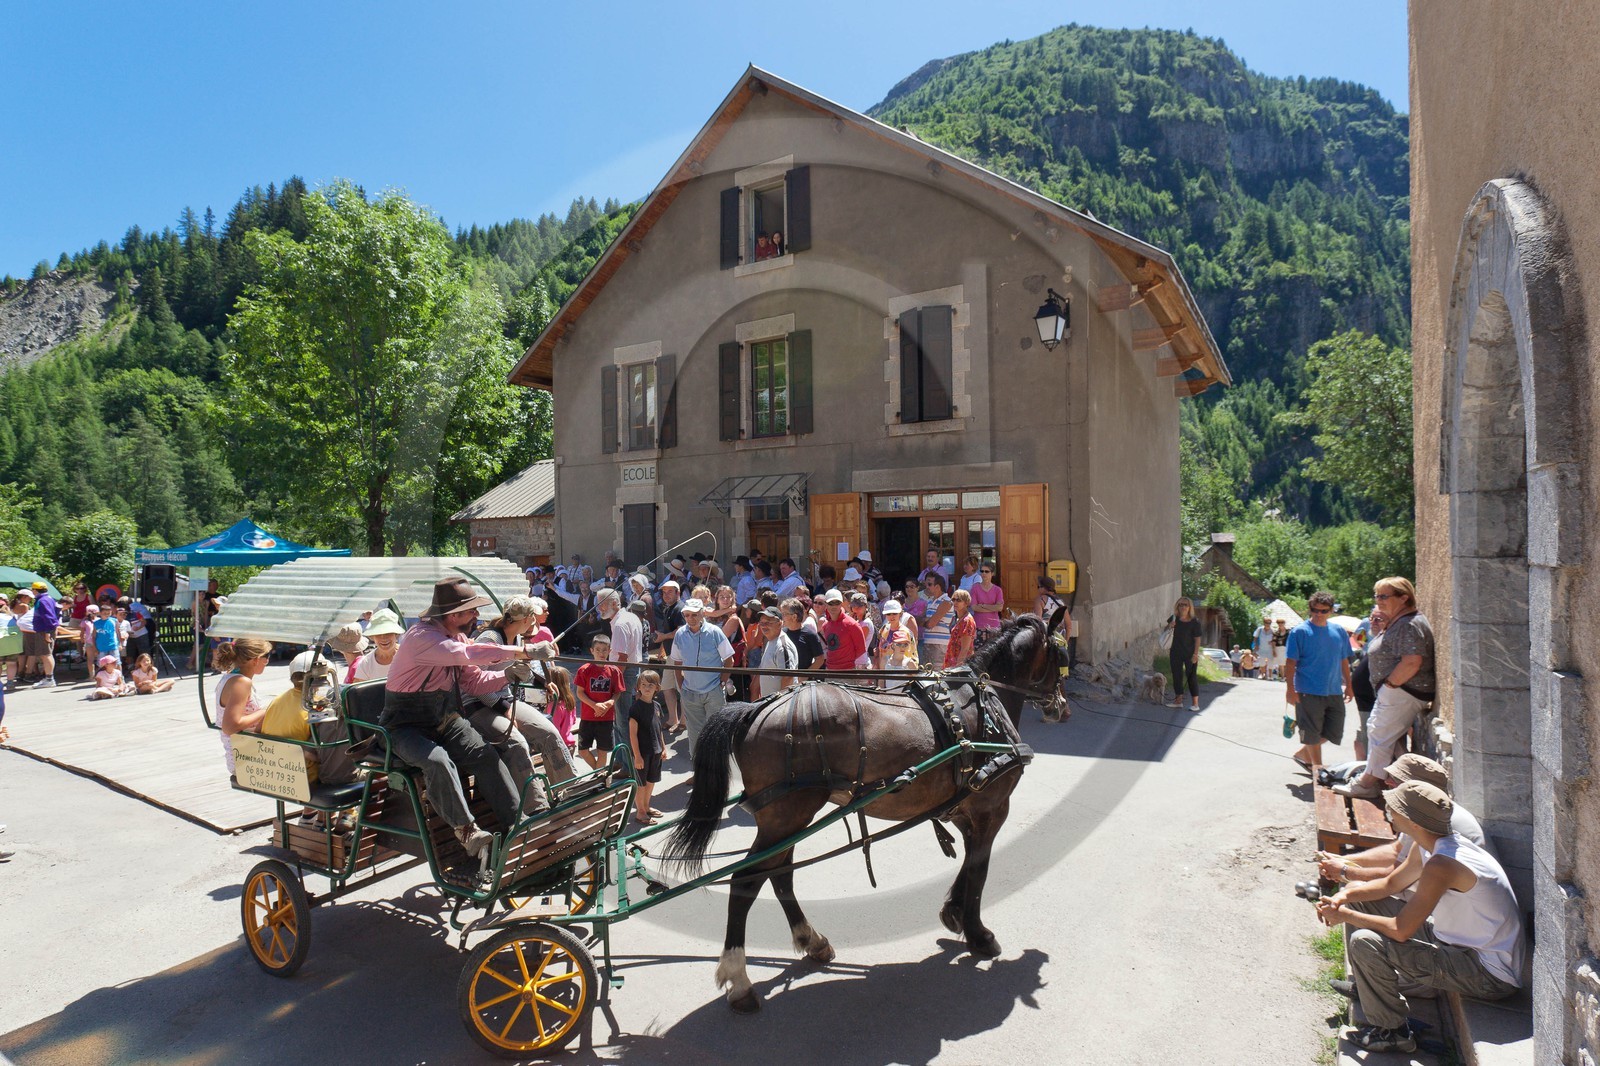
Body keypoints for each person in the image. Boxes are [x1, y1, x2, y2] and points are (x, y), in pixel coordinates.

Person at [1316, 781, 1524, 1054]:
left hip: (1488, 974)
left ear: (1413, 821)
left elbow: (1401, 930)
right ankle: (1375, 987)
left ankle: (1391, 1031)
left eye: (1395, 808)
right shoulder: (1432, 845)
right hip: (1458, 947)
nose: (1389, 810)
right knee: (1366, 902)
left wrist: (1344, 914)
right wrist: (1345, 897)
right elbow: (1391, 884)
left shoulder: (1443, 863)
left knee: (1365, 941)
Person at [381, 578, 546, 859]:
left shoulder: (454, 637)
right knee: (437, 761)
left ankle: (517, 828)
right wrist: (524, 651)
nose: (477, 616)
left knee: (486, 755)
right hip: (404, 727)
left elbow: (474, 681)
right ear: (453, 615)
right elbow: (469, 654)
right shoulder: (421, 638)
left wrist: (506, 675)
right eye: (471, 611)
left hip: (444, 719)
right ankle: (466, 831)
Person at [1317, 754, 1489, 887]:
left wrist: (1345, 871)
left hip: (1454, 907)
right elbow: (1396, 851)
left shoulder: (1432, 820)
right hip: (1447, 897)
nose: (1386, 781)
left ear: (1417, 788)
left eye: (1396, 779)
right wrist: (1346, 860)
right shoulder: (1429, 809)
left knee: (1354, 889)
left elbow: (1396, 878)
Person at [1336, 578, 1436, 800]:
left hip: (1403, 691)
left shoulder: (1407, 624)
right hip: (1400, 691)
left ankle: (1366, 785)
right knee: (1380, 733)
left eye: (1383, 596)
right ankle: (1386, 783)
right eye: (1377, 596)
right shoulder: (1402, 621)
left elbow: (1412, 661)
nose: (1378, 601)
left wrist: (1390, 685)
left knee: (1381, 736)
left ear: (1404, 598)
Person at [1284, 590, 1355, 770]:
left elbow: (1344, 660)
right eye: (1315, 610)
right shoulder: (1299, 632)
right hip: (1307, 690)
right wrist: (1290, 690)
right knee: (1311, 733)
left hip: (1333, 690)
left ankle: (1302, 754)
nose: (1319, 614)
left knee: (1333, 732)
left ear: (1331, 610)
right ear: (1310, 609)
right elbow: (1290, 663)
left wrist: (1349, 685)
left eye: (1324, 611)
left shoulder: (1338, 631)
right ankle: (1318, 769)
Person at [671, 597, 735, 755]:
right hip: (690, 691)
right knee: (694, 733)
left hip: (713, 690)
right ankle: (698, 772)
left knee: (717, 732)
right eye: (687, 615)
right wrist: (681, 687)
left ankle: (717, 770)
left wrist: (721, 683)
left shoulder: (715, 632)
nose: (690, 618)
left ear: (702, 614)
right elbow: (677, 662)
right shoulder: (680, 634)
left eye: (694, 615)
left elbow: (729, 660)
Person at [215, 638, 273, 776]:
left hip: (242, 752)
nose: (268, 661)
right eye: (267, 656)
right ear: (256, 659)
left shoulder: (229, 678)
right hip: (245, 757)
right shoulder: (241, 682)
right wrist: (267, 711)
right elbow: (230, 727)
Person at [574, 633, 624, 770]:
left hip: (606, 718)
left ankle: (600, 778)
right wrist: (594, 705)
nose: (601, 653)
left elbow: (617, 692)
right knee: (583, 750)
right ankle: (600, 772)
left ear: (609, 651)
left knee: (603, 751)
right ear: (592, 651)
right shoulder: (584, 670)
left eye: (604, 650)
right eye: (598, 650)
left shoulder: (614, 671)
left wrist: (611, 702)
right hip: (588, 716)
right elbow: (580, 692)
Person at [629, 671, 668, 824]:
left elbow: (659, 730)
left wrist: (663, 748)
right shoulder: (635, 708)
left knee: (651, 780)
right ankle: (640, 812)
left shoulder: (657, 706)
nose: (646, 688)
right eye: (643, 685)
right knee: (641, 783)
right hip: (642, 753)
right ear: (638, 687)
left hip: (656, 751)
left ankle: (646, 806)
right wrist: (637, 756)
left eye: (650, 685)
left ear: (657, 688)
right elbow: (632, 735)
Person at [1349, 606, 1387, 763]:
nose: (1374, 622)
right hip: (1365, 682)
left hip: (1380, 690)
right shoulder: (1365, 623)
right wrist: (1363, 647)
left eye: (1378, 619)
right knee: (1366, 728)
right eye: (1373, 618)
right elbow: (1355, 641)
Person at [1164, 597, 1203, 711]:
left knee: (1191, 677)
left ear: (1189, 607)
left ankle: (1195, 704)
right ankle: (1178, 701)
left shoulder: (1194, 621)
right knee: (1177, 676)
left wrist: (1195, 654)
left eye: (1185, 605)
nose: (1183, 607)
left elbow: (1197, 639)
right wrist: (1169, 626)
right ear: (1178, 606)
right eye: (1181, 605)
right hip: (1175, 652)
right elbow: (1165, 631)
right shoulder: (1173, 618)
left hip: (1190, 654)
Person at [753, 607, 797, 699]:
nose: (764, 626)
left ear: (780, 623)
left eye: (768, 622)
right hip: (770, 705)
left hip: (780, 707)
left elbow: (788, 677)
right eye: (762, 623)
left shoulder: (783, 646)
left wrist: (779, 704)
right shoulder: (770, 641)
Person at [350, 608, 405, 681]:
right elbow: (358, 690)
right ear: (373, 637)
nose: (383, 638)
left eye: (388, 633)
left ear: (396, 635)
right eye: (378, 634)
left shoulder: (408, 656)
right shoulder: (366, 663)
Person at [820, 589, 866, 672]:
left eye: (837, 603)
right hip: (829, 670)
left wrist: (846, 662)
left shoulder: (852, 624)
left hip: (847, 671)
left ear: (841, 604)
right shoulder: (825, 626)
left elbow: (861, 649)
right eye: (831, 603)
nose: (834, 606)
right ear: (826, 604)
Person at [920, 573, 953, 667]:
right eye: (926, 584)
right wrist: (926, 620)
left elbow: (930, 624)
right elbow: (920, 620)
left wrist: (926, 621)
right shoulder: (929, 601)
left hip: (939, 645)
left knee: (937, 675)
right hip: (928, 642)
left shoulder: (946, 601)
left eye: (929, 584)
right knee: (926, 675)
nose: (926, 587)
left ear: (938, 587)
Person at [543, 665, 578, 753]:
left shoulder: (555, 706)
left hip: (559, 746)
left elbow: (554, 729)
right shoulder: (570, 701)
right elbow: (573, 721)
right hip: (569, 742)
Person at [970, 563, 1005, 645]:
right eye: (982, 571)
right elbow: (974, 607)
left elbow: (999, 608)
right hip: (979, 625)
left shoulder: (997, 590)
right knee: (978, 653)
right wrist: (993, 607)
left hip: (994, 627)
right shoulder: (975, 588)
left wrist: (983, 605)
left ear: (992, 573)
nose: (984, 574)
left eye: (986, 571)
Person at [945, 588, 977, 668]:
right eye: (953, 599)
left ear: (966, 603)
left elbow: (965, 649)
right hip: (952, 661)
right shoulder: (958, 619)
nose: (955, 602)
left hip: (961, 665)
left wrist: (958, 668)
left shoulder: (967, 621)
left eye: (958, 600)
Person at [1251, 614, 1275, 681]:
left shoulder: (1273, 630)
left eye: (1269, 623)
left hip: (1270, 649)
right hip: (1261, 648)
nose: (1268, 624)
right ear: (1264, 623)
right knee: (1262, 662)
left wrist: (1272, 642)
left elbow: (1275, 639)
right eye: (1267, 623)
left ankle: (1270, 676)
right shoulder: (1259, 629)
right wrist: (1256, 645)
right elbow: (1255, 638)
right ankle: (1263, 674)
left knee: (1270, 662)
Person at [1270, 617, 1290, 681]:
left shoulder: (1289, 631)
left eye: (1282, 622)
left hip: (1287, 648)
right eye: (1279, 623)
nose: (1280, 624)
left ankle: (1288, 677)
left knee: (1287, 663)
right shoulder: (1276, 632)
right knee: (1281, 664)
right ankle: (1282, 677)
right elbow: (1273, 642)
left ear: (1284, 623)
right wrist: (1273, 650)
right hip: (1278, 648)